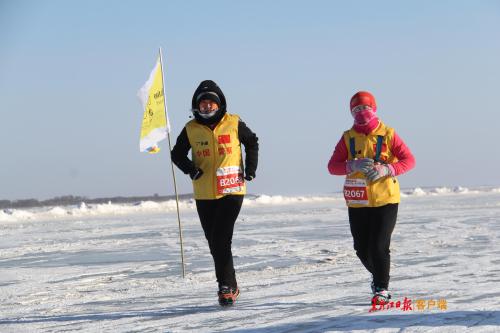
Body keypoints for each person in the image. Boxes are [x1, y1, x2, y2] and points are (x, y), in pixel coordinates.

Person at [171, 80, 259, 306]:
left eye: (211, 103)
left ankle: (225, 287)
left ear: (219, 105)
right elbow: (177, 154)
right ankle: (231, 284)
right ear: (196, 107)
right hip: (204, 194)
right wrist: (191, 170)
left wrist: (250, 170)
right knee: (215, 242)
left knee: (220, 239)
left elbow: (252, 142)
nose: (207, 108)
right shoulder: (191, 128)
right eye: (203, 104)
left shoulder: (234, 122)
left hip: (232, 190)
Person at [327, 91, 415, 305]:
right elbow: (332, 167)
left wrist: (388, 169)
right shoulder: (347, 138)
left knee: (379, 246)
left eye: (365, 108)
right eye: (356, 109)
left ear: (374, 108)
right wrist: (351, 165)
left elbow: (409, 160)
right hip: (358, 201)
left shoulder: (389, 133)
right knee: (361, 249)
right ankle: (378, 276)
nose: (361, 113)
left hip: (386, 200)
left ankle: (381, 288)